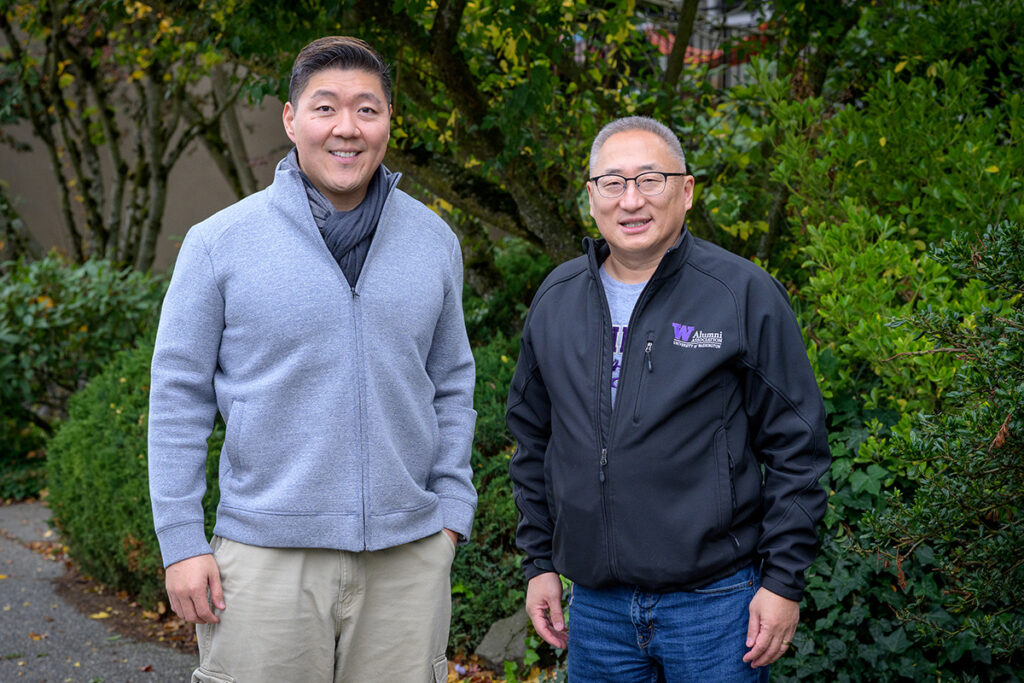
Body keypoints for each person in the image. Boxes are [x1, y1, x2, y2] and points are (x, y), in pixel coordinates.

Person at [147, 36, 477, 683]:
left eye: (367, 109)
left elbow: (452, 385)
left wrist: (450, 519)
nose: (346, 128)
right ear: (291, 120)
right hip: (266, 559)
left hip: (407, 558)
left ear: (389, 121)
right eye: (325, 108)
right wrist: (181, 540)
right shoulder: (219, 244)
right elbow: (178, 398)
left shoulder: (435, 241)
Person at [506, 116, 830, 681]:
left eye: (650, 179)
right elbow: (532, 443)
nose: (631, 199)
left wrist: (782, 581)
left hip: (716, 605)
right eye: (613, 182)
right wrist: (539, 564)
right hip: (598, 611)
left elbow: (797, 447)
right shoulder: (555, 300)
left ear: (686, 190)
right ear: (591, 198)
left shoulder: (741, 294)